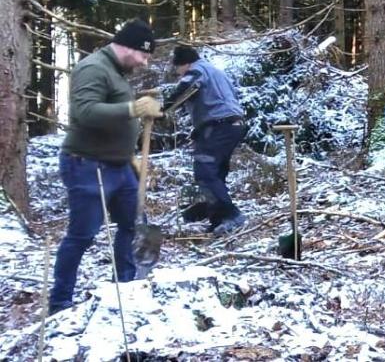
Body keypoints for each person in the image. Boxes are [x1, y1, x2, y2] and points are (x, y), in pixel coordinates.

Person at [49, 19, 162, 315]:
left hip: (119, 165)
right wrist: (133, 108)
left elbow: (116, 119)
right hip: (88, 165)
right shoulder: (93, 68)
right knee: (83, 234)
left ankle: (124, 288)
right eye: (143, 54)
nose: (145, 61)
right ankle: (59, 303)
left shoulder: (119, 72)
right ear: (128, 47)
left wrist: (132, 158)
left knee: (131, 225)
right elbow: (85, 112)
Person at [164, 45, 248, 235]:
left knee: (205, 171)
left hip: (218, 126)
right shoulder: (217, 72)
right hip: (234, 125)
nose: (178, 73)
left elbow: (185, 87)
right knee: (217, 173)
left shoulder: (196, 70)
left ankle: (232, 216)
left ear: (184, 63)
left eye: (178, 69)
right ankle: (217, 219)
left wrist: (162, 109)